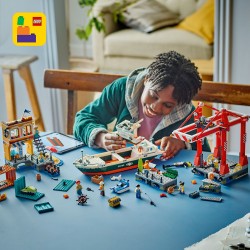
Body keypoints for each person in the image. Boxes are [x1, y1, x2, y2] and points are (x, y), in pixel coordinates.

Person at [74, 51, 210, 159]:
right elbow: (84, 118)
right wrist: (100, 138)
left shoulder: (188, 113)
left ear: (179, 103)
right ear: (146, 79)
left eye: (168, 105)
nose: (155, 108)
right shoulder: (121, 89)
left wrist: (182, 143)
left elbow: (204, 151)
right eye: (153, 96)